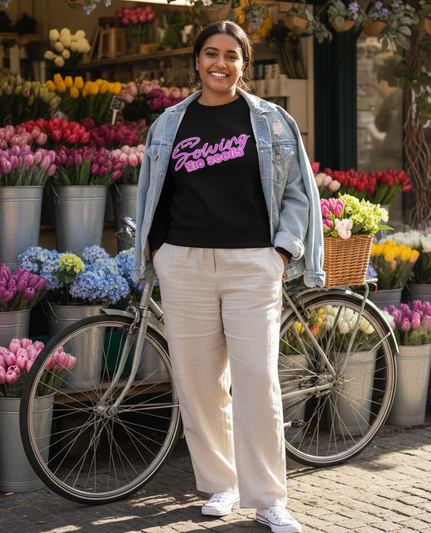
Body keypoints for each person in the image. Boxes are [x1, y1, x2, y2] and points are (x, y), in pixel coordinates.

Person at [132, 20, 325, 533]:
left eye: (232, 56)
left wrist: (282, 253)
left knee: (256, 380)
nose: (221, 64)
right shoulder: (170, 124)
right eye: (211, 54)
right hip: (185, 263)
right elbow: (152, 191)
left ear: (245, 63)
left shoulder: (270, 121)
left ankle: (268, 499)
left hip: (251, 266)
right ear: (196, 61)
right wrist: (159, 252)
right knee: (198, 383)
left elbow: (298, 196)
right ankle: (221, 484)